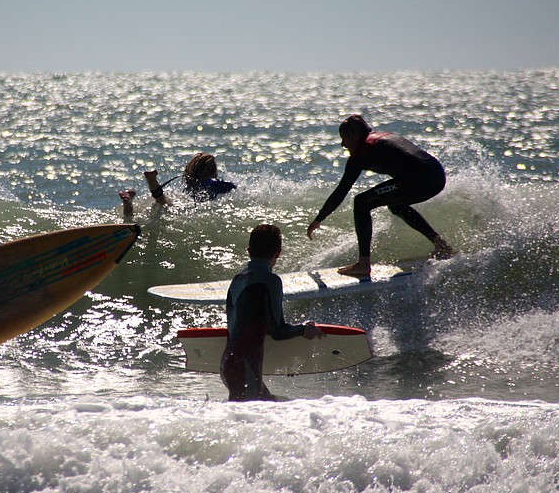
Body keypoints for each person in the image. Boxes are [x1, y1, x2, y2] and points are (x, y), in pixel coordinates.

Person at [307, 115, 453, 278]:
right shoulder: (383, 137)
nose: (343, 144)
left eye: (344, 139)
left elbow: (341, 191)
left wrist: (319, 218)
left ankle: (363, 264)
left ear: (354, 136)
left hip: (418, 180)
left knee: (361, 202)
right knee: (396, 205)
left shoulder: (362, 152)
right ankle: (440, 244)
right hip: (437, 176)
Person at [220, 224, 323, 402]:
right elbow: (277, 331)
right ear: (278, 253)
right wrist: (303, 330)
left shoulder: (236, 279)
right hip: (246, 368)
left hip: (227, 364)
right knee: (249, 424)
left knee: (272, 406)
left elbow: (240, 324)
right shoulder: (271, 280)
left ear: (248, 250)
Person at [119, 152, 236, 219]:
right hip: (188, 207)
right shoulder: (217, 184)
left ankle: (129, 203)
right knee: (163, 202)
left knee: (156, 205)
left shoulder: (190, 185)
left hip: (183, 200)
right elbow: (238, 193)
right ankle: (153, 184)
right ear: (213, 171)